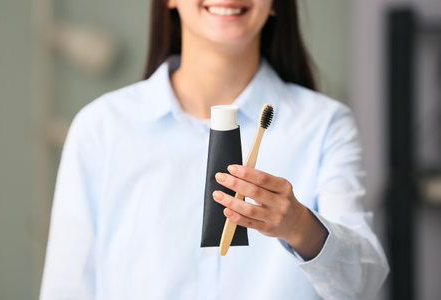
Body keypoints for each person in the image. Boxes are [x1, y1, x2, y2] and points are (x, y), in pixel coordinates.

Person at [40, 0, 389, 299]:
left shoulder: (324, 125)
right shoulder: (102, 128)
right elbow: (67, 287)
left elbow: (364, 282)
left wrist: (300, 227)